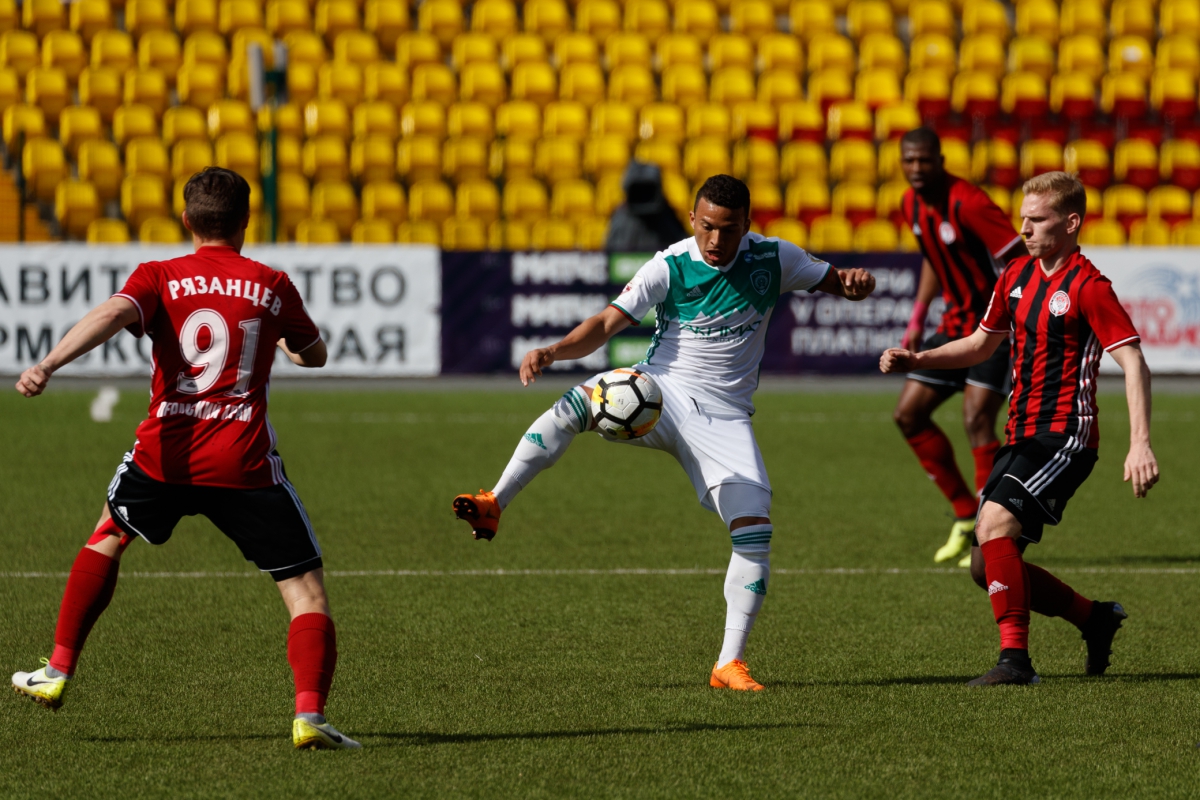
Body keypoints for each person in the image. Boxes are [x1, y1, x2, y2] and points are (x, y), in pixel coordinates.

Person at [454, 175, 876, 691]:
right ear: (693, 219)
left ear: (747, 225)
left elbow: (838, 282)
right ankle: (495, 501)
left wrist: (855, 284)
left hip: (724, 415)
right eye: (706, 227)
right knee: (576, 404)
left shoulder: (775, 258)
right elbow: (605, 324)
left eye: (728, 229)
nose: (715, 240)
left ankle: (728, 664)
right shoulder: (670, 264)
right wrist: (554, 351)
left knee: (754, 530)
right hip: (660, 390)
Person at [11, 168, 359, 749]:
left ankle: (57, 669)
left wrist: (47, 364)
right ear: (246, 221)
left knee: (108, 535)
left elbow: (112, 314)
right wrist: (280, 339)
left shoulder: (159, 275)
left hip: (164, 455)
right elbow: (314, 355)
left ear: (185, 220)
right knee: (305, 590)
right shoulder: (272, 284)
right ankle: (310, 716)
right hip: (243, 460)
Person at [880, 171, 1158, 686]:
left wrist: (1139, 443)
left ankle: (1016, 662)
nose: (1024, 229)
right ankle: (1094, 618)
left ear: (1070, 223)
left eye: (1037, 220)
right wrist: (919, 358)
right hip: (1022, 434)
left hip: (1065, 437)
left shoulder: (1089, 286)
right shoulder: (1014, 275)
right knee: (984, 567)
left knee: (993, 527)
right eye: (1022, 219)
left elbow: (1134, 361)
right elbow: (980, 344)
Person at [894, 128, 1030, 567]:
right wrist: (918, 318)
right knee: (908, 414)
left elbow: (1020, 260)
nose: (916, 168)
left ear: (941, 160)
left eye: (924, 160)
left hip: (994, 330)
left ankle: (990, 531)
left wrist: (1017, 318)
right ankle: (964, 513)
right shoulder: (911, 203)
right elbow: (935, 259)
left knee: (976, 419)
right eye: (909, 161)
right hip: (953, 326)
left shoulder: (970, 202)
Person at [604, 160, 689, 252]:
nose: (643, 195)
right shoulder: (621, 219)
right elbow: (610, 255)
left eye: (648, 190)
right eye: (638, 191)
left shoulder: (668, 218)